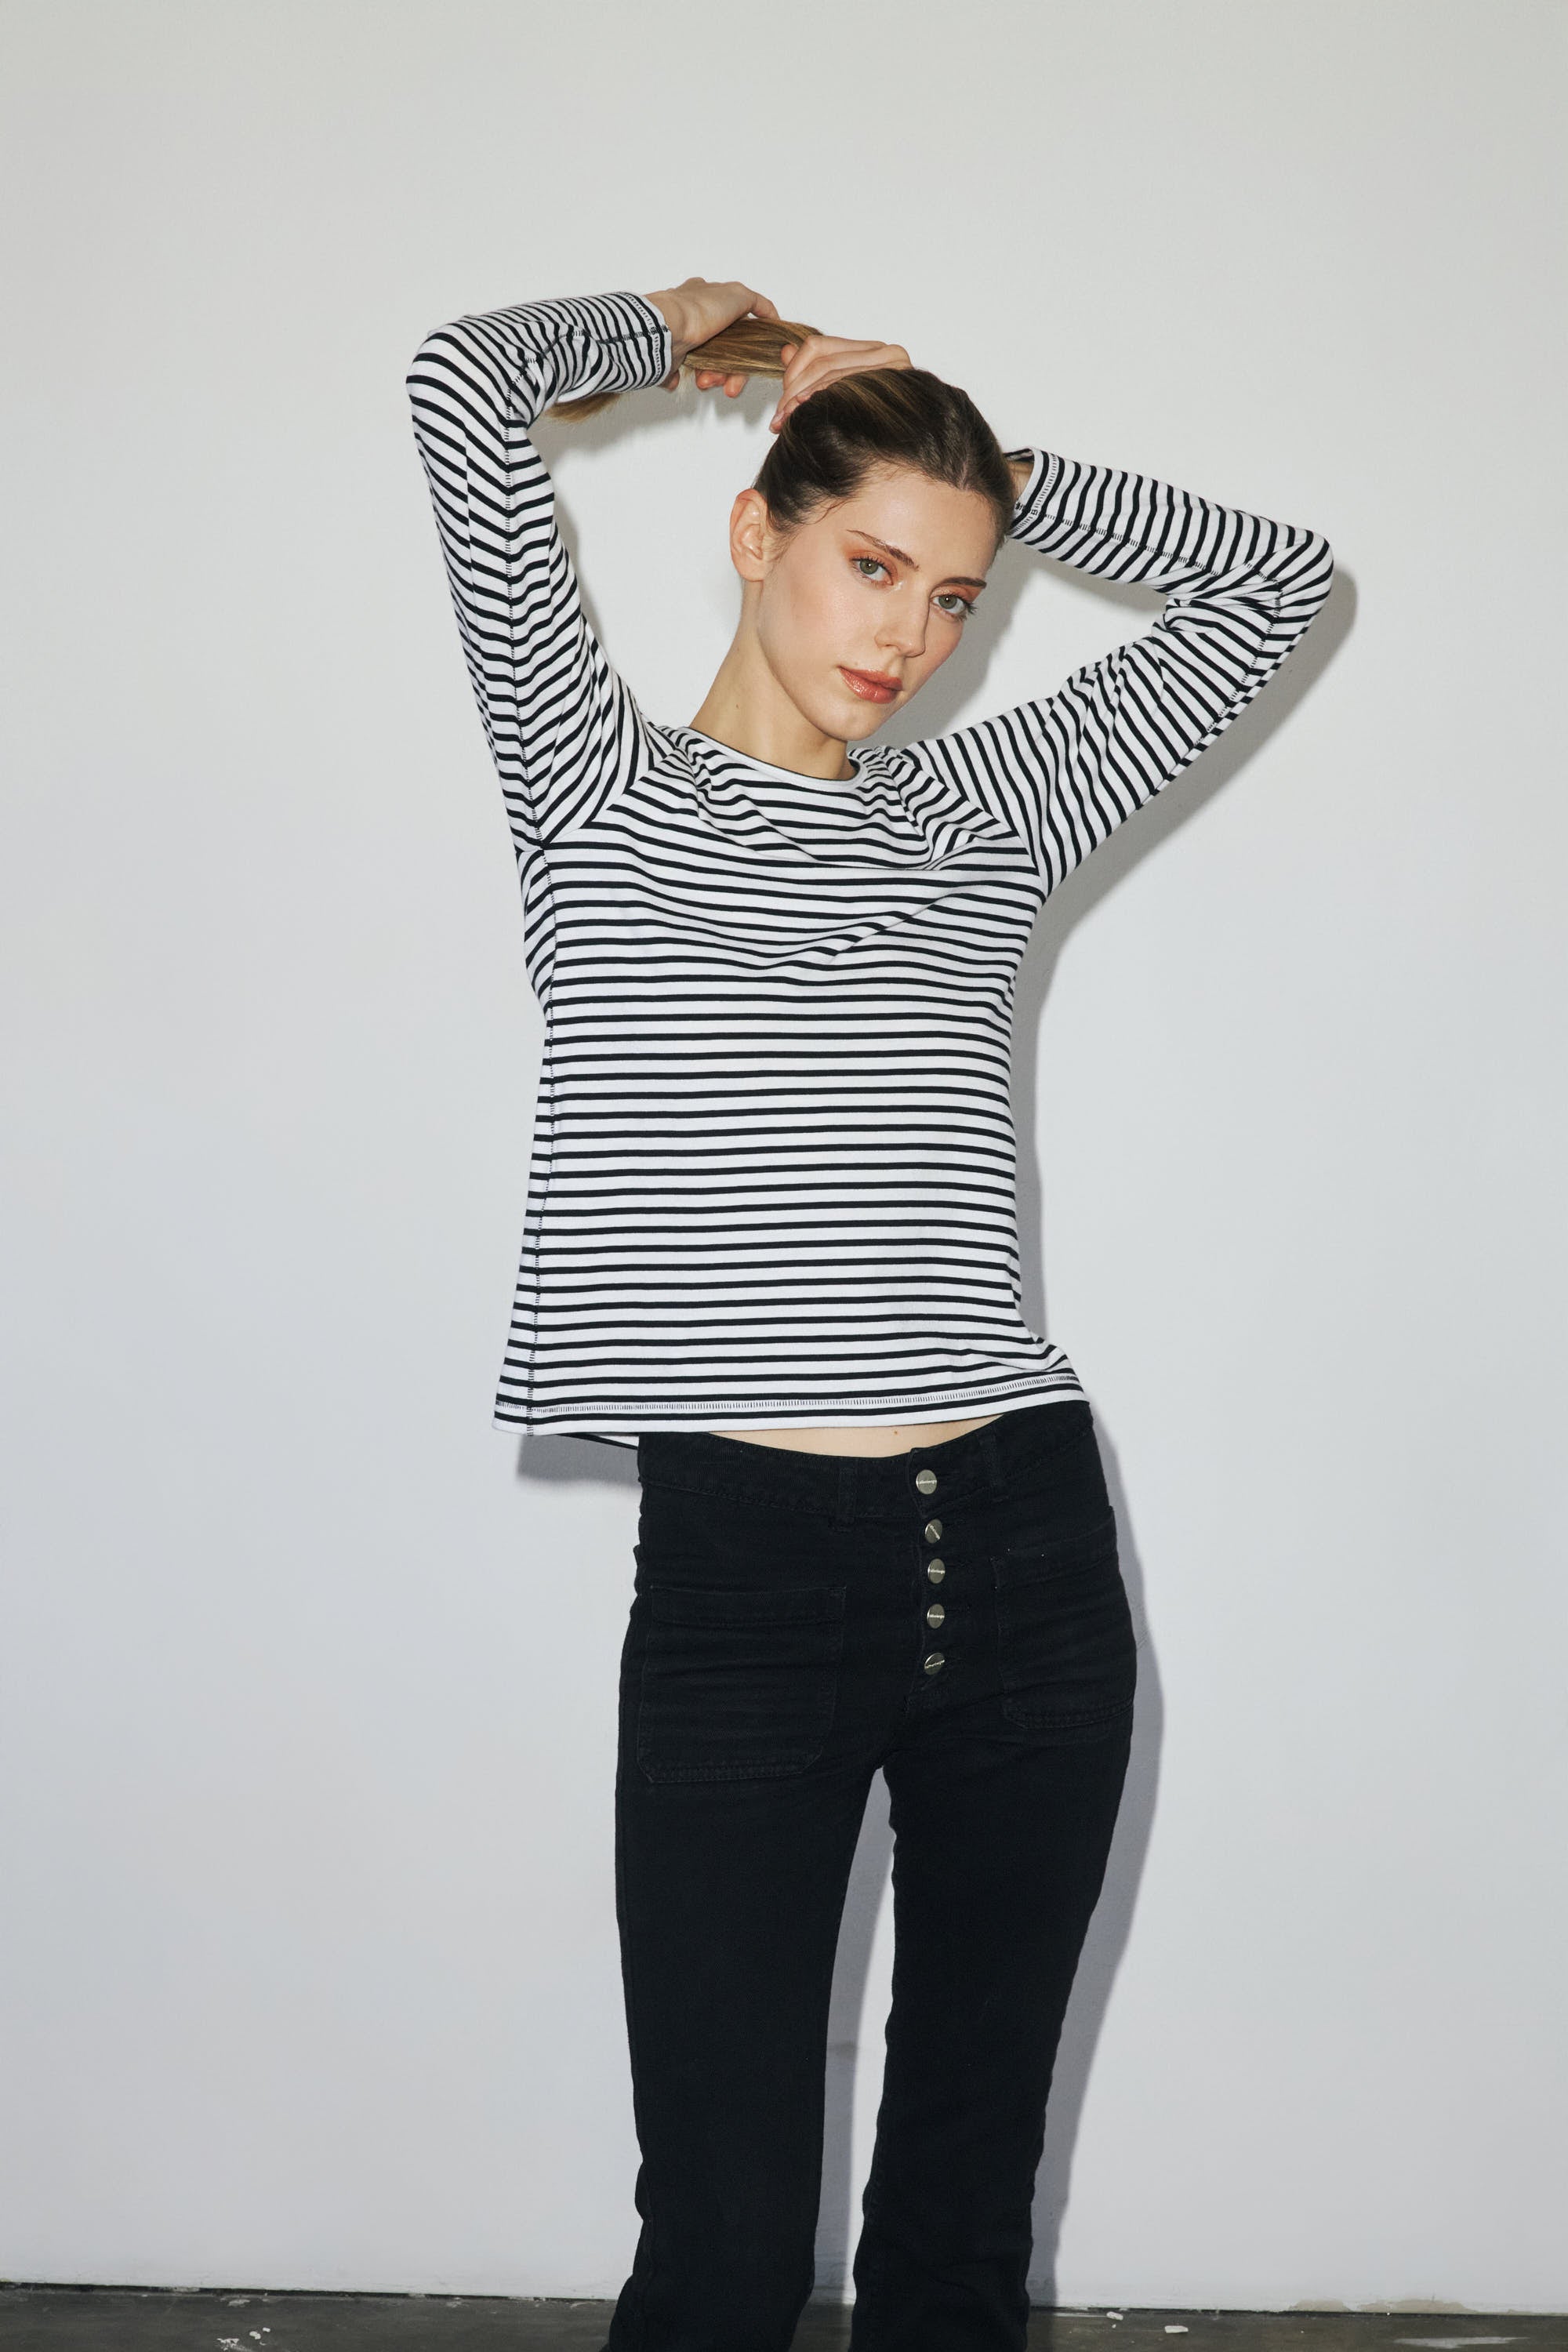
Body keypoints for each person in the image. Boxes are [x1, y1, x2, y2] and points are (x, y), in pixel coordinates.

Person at [408, 276, 1334, 2350]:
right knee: (725, 2252)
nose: (907, 639)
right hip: (749, 1576)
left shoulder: (991, 812)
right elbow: (462, 383)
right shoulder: (594, 787)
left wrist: (1002, 469)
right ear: (757, 530)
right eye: (868, 564)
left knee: (950, 2248)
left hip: (1019, 1556)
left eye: (953, 592)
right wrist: (689, 325)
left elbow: (1275, 586)